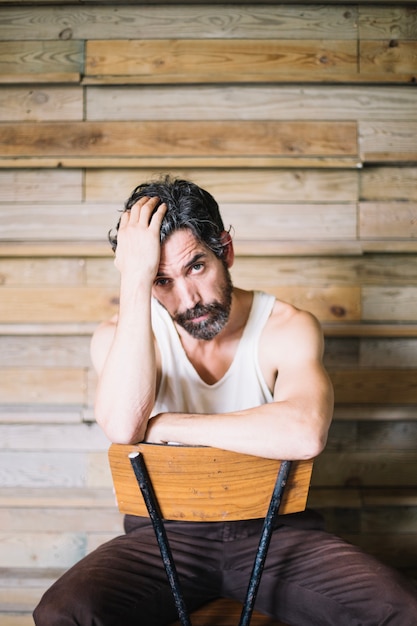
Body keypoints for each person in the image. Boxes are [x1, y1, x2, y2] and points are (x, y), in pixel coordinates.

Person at [34, 176, 417, 625]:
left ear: (226, 250)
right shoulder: (120, 335)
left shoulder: (286, 326)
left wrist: (163, 425)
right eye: (162, 280)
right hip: (164, 536)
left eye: (196, 266)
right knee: (64, 614)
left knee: (402, 611)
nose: (188, 299)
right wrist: (134, 281)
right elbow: (122, 426)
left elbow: (304, 432)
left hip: (275, 533)